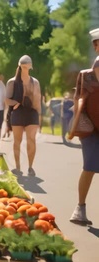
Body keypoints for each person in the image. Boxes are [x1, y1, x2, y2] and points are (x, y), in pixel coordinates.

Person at [69, 29, 99, 225]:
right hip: (90, 128)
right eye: (96, 44)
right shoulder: (94, 69)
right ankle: (79, 209)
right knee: (90, 166)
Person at [5, 55, 42, 176]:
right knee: (17, 140)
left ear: (30, 67)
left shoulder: (34, 82)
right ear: (20, 66)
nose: (25, 69)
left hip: (31, 113)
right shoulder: (12, 82)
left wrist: (39, 116)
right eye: (23, 67)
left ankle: (30, 167)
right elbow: (7, 100)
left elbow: (37, 100)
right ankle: (18, 167)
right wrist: (16, 103)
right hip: (18, 112)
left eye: (27, 67)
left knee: (31, 140)